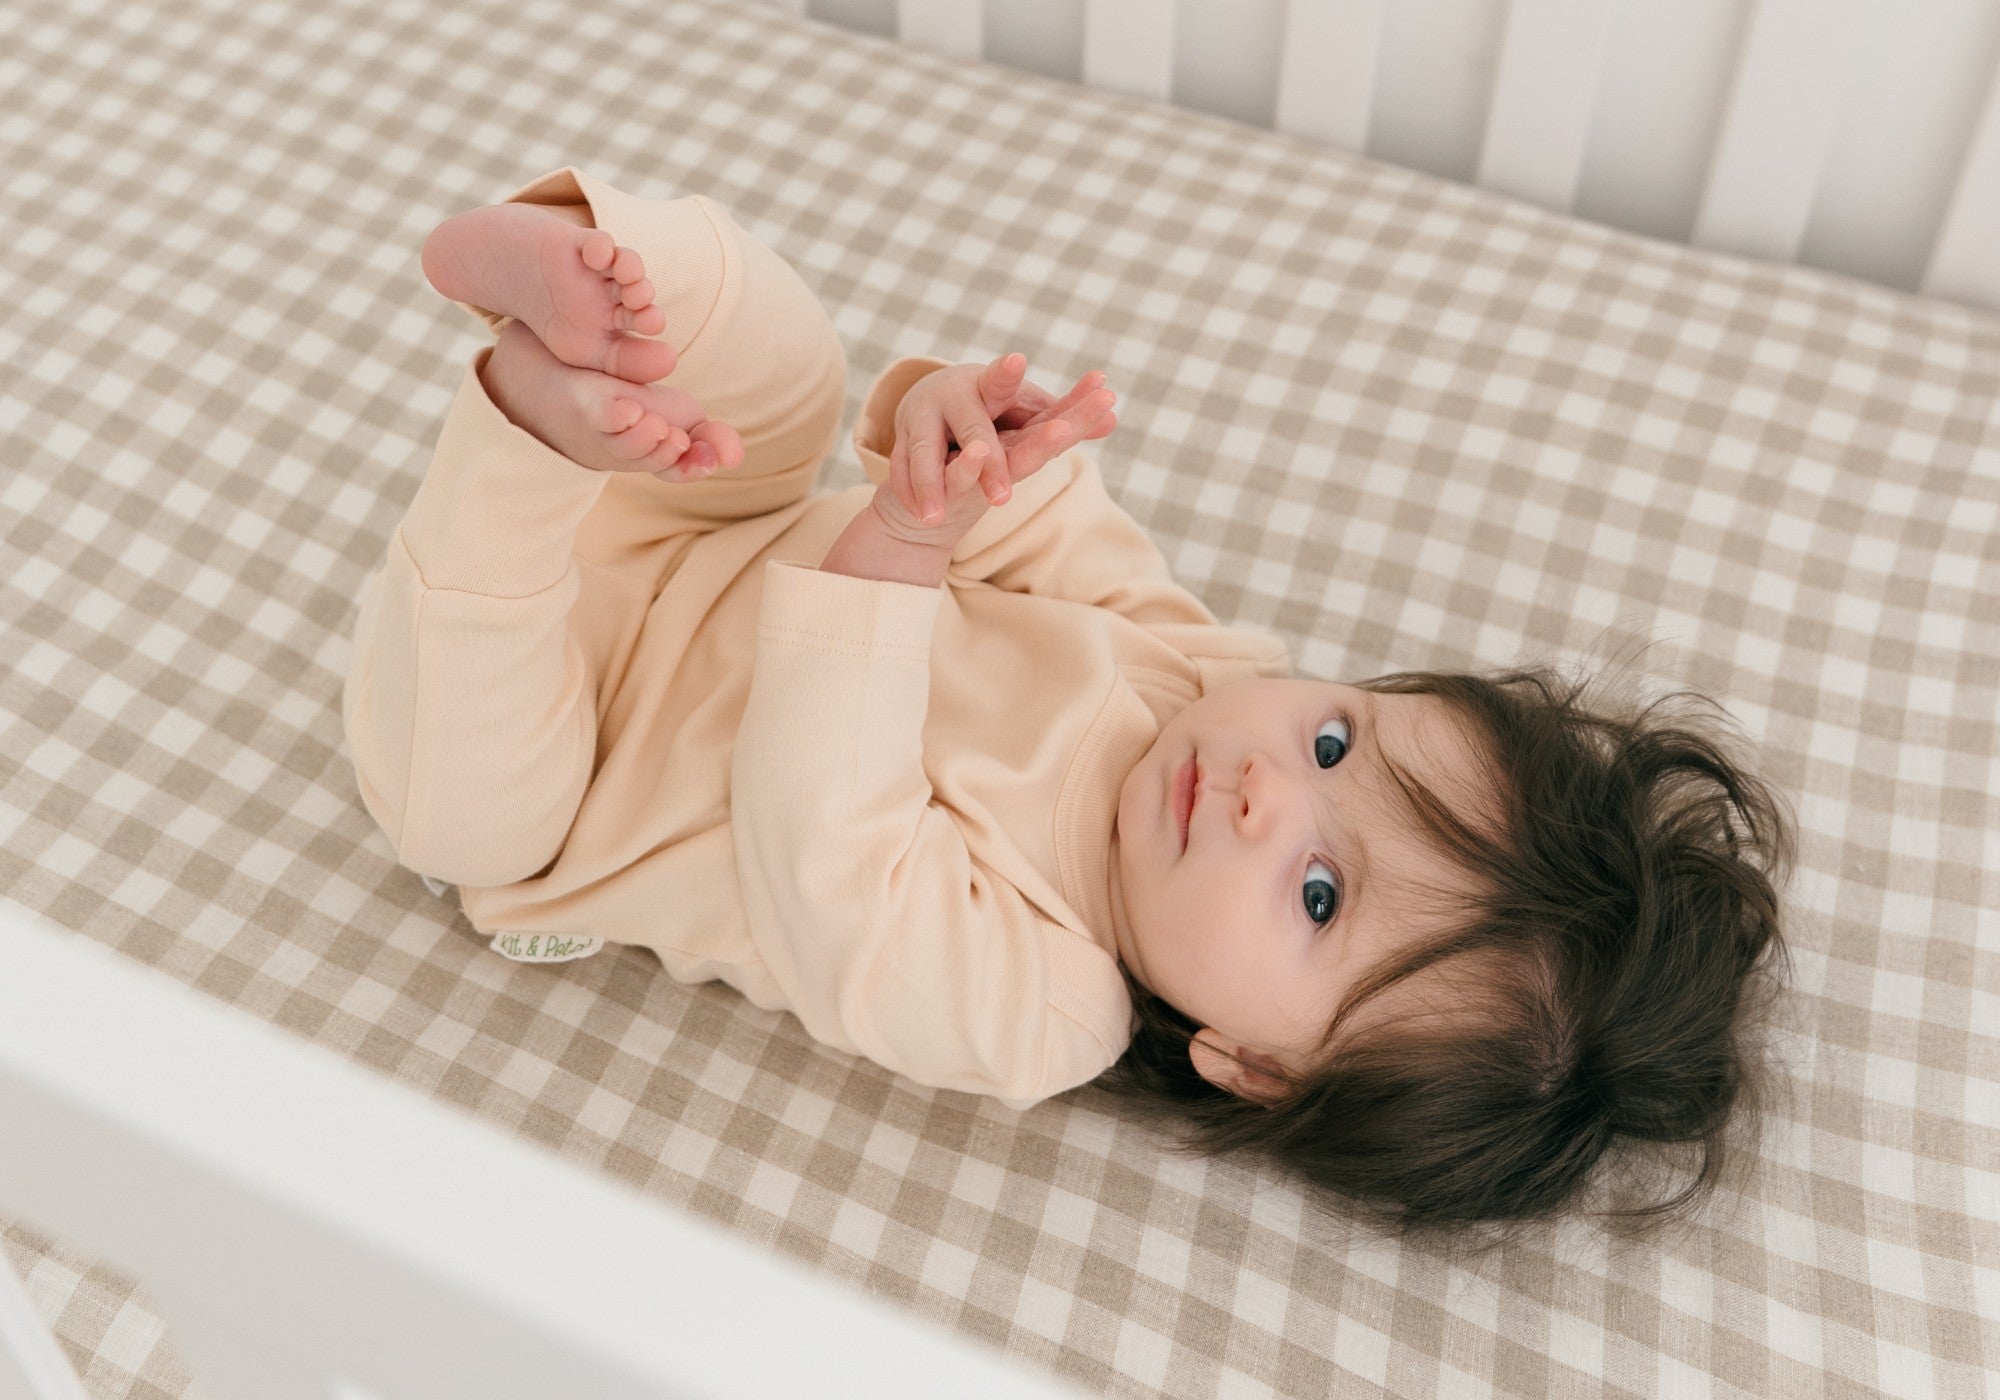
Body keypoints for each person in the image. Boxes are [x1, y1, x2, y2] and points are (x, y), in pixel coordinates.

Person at [343, 167, 1794, 1240]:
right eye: (1336, 742)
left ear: (1254, 1067)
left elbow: (824, 842)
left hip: (574, 765)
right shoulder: (1202, 677)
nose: (1268, 791)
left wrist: (898, 549)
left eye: (1317, 896)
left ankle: (526, 433)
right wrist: (969, 446)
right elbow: (1056, 535)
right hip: (701, 509)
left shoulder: (1039, 1004)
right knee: (792, 362)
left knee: (469, 813)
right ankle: (589, 270)